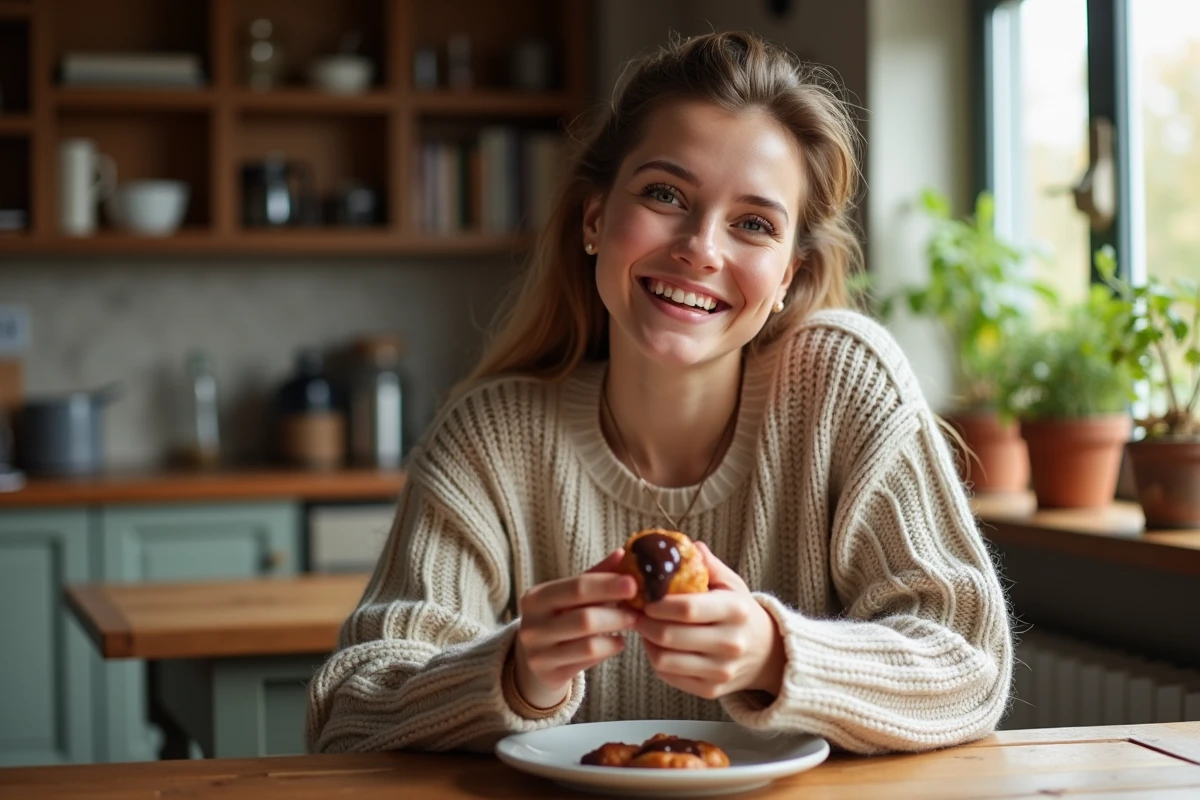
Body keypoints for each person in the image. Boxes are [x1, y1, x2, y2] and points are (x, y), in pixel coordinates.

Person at [307, 30, 1013, 757]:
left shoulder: (844, 387)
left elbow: (972, 665)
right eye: (664, 194)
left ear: (789, 279)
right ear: (594, 219)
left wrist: (777, 655)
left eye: (753, 224)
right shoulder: (490, 437)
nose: (702, 247)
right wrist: (515, 674)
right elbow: (350, 714)